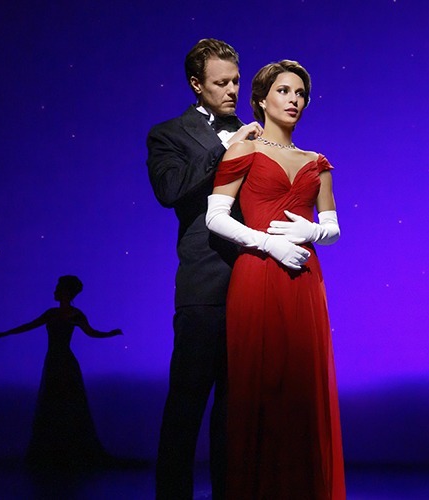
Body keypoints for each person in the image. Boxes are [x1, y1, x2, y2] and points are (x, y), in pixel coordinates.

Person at [206, 59, 344, 499]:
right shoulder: (243, 149)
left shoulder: (316, 162)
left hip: (304, 278)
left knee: (303, 386)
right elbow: (215, 218)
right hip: (257, 274)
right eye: (285, 91)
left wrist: (314, 231)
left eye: (301, 94)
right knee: (258, 384)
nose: (295, 101)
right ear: (262, 98)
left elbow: (335, 228)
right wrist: (267, 244)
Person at [146, 38, 262, 499]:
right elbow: (170, 189)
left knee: (236, 410)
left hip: (253, 282)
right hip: (204, 283)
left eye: (236, 80)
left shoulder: (257, 129)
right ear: (197, 84)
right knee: (187, 403)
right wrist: (226, 149)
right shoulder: (168, 134)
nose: (233, 89)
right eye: (221, 82)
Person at [0, 275, 122, 470]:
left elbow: (91, 332)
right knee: (55, 401)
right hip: (54, 361)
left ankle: (66, 452)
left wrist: (109, 333)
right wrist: (6, 333)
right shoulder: (52, 313)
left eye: (58, 288)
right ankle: (55, 451)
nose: (55, 291)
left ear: (66, 292)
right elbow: (30, 326)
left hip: (64, 362)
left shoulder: (75, 315)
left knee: (66, 401)